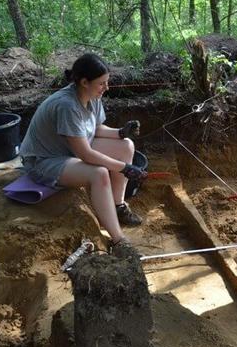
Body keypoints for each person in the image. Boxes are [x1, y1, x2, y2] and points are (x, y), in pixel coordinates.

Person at [19, 53, 147, 247]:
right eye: (102, 83)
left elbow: (94, 129)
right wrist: (124, 167)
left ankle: (117, 206)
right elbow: (85, 154)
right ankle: (118, 239)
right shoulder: (67, 105)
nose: (106, 88)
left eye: (107, 82)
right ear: (84, 82)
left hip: (69, 149)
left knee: (126, 146)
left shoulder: (92, 95)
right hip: (44, 160)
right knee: (99, 173)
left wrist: (121, 132)